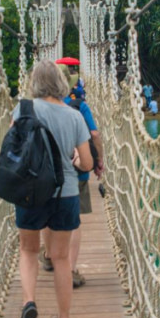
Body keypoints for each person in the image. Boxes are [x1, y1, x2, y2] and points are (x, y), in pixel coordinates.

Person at [13, 60, 93, 318]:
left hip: (30, 192)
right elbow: (87, 163)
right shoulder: (74, 116)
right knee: (60, 258)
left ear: (33, 82)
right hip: (65, 193)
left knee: (28, 251)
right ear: (61, 83)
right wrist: (75, 159)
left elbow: (15, 150)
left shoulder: (23, 109)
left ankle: (28, 302)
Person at [42, 78, 103, 290]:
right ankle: (70, 270)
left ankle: (49, 256)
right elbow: (94, 134)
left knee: (48, 215)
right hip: (76, 174)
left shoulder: (40, 106)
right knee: (73, 220)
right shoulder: (79, 107)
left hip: (46, 174)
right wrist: (98, 162)